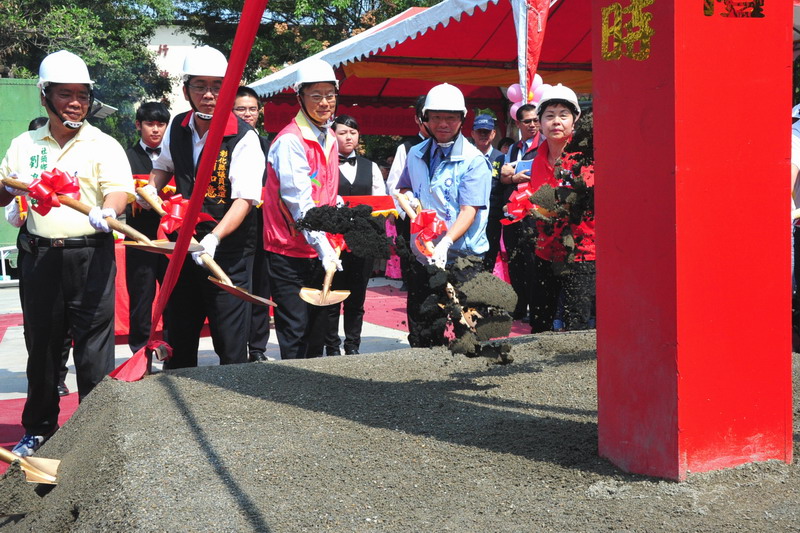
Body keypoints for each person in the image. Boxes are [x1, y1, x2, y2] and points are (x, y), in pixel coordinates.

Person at [0, 50, 134, 456]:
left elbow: (120, 190)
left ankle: (96, 434)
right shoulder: (24, 143)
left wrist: (108, 210)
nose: (75, 103)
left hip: (90, 254)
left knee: (94, 348)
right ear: (45, 96)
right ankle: (39, 429)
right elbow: (4, 190)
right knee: (41, 345)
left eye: (82, 94)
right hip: (40, 257)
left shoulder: (103, 143)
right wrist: (12, 189)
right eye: (65, 95)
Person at [143, 46, 264, 369]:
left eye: (217, 86)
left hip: (228, 253)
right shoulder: (178, 126)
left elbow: (245, 200)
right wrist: (150, 188)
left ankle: (233, 409)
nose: (208, 95)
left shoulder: (243, 137)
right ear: (186, 90)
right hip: (182, 246)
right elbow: (164, 167)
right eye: (200, 86)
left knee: (229, 340)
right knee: (180, 334)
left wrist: (214, 238)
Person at [396, 83, 491, 347]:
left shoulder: (474, 160)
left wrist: (446, 243)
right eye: (436, 117)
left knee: (468, 328)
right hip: (424, 252)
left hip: (463, 257)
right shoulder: (415, 154)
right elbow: (404, 188)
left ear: (462, 119)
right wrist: (410, 201)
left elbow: (469, 210)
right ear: (425, 118)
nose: (443, 123)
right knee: (424, 326)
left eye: (450, 117)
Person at [262, 58, 341, 359]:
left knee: (317, 331)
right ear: (300, 98)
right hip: (288, 249)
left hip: (320, 248)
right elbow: (300, 205)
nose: (324, 102)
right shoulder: (290, 142)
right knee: (295, 329)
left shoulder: (330, 137)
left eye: (329, 94)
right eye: (316, 95)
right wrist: (324, 248)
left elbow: (327, 192)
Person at [527, 84, 595, 333]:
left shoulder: (586, 157)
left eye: (563, 114)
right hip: (545, 251)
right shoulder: (536, 158)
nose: (556, 121)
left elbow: (576, 201)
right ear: (540, 121)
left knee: (576, 323)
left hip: (582, 253)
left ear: (574, 120)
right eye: (550, 115)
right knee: (539, 321)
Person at [321, 114, 386, 356]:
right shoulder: (323, 166)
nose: (348, 137)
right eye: (342, 133)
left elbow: (381, 205)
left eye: (353, 133)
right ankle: (331, 345)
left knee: (356, 298)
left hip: (362, 242)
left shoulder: (371, 168)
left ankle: (352, 345)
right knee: (331, 295)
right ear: (332, 135)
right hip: (331, 244)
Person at [125, 102, 170, 355]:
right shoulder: (125, 157)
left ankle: (175, 346)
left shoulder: (175, 156)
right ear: (138, 125)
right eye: (150, 124)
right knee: (141, 297)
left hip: (172, 239)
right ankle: (139, 351)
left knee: (175, 295)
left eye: (161, 124)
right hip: (140, 239)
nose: (155, 130)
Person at [232, 85, 272, 362]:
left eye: (252, 109)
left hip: (265, 224)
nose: (247, 114)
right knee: (239, 290)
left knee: (261, 287)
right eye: (240, 109)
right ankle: (237, 346)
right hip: (235, 225)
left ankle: (257, 347)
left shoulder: (269, 143)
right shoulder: (227, 141)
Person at [498, 104, 542, 320]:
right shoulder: (513, 148)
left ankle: (535, 309)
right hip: (513, 211)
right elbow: (504, 177)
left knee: (534, 260)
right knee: (515, 259)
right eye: (528, 121)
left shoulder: (544, 144)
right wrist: (514, 178)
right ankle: (518, 306)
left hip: (534, 211)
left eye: (536, 120)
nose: (533, 125)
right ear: (518, 123)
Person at [386, 95, 428, 290]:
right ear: (418, 119)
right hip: (411, 218)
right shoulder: (407, 147)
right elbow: (394, 184)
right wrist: (405, 212)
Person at [469, 114, 505, 272]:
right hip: (468, 217)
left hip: (493, 218)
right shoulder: (465, 156)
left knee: (489, 257)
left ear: (493, 134)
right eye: (480, 131)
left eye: (487, 131)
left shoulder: (502, 158)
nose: (483, 135)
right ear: (472, 134)